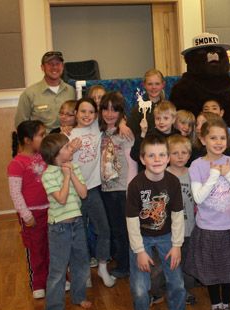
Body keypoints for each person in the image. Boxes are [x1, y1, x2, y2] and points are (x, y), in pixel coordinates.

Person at [126, 135, 195, 310]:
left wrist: (176, 245)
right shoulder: (135, 185)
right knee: (140, 284)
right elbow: (131, 221)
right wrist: (139, 251)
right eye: (151, 155)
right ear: (142, 159)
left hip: (167, 237)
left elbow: (177, 216)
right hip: (141, 237)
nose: (157, 159)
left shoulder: (172, 182)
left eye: (162, 155)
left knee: (176, 279)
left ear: (167, 158)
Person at [185, 118, 230, 310]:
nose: (219, 142)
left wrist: (229, 172)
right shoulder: (197, 165)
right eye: (213, 137)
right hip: (208, 228)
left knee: (229, 269)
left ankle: (228, 304)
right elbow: (198, 197)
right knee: (212, 270)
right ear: (203, 139)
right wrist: (214, 174)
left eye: (222, 138)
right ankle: (216, 306)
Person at [40, 133, 90, 310]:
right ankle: (54, 308)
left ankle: (79, 296)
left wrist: (72, 173)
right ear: (56, 153)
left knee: (81, 263)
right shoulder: (48, 174)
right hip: (58, 228)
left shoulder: (74, 166)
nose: (71, 149)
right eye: (68, 147)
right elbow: (60, 199)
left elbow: (83, 194)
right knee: (58, 269)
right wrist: (66, 176)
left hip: (76, 224)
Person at [69, 97, 115, 287]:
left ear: (95, 115)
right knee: (78, 234)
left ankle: (103, 266)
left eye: (90, 112)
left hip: (94, 189)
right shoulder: (68, 134)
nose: (87, 115)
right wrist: (71, 150)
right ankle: (84, 271)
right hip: (74, 192)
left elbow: (114, 117)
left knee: (103, 229)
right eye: (82, 111)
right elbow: (60, 159)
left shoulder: (97, 127)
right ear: (76, 113)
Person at [7, 120, 49, 299]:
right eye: (41, 135)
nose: (44, 138)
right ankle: (38, 282)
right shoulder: (17, 163)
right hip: (32, 214)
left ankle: (57, 278)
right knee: (36, 248)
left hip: (50, 210)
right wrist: (26, 215)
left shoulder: (45, 155)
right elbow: (15, 193)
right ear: (27, 140)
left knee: (53, 246)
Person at [99, 92, 135, 278]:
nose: (110, 113)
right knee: (115, 229)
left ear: (121, 112)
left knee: (123, 230)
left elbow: (133, 164)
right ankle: (122, 262)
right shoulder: (100, 133)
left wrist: (130, 189)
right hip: (106, 189)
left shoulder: (125, 133)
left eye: (115, 109)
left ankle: (126, 266)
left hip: (122, 189)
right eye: (106, 108)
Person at [166, 135, 197, 304]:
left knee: (187, 262)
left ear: (189, 154)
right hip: (170, 230)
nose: (179, 156)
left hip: (190, 227)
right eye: (175, 153)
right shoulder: (163, 174)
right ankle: (174, 290)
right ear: (167, 155)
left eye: (184, 152)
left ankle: (186, 290)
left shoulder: (193, 173)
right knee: (172, 263)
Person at [15, 51, 76, 132]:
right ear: (42, 67)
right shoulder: (29, 94)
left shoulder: (71, 91)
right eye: (50, 64)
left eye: (57, 64)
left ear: (62, 66)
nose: (54, 67)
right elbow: (21, 126)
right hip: (42, 143)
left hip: (69, 142)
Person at [127, 69, 166, 165]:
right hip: (146, 160)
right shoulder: (138, 110)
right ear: (144, 85)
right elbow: (132, 138)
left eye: (157, 84)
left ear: (163, 85)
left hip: (165, 157)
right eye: (150, 84)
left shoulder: (169, 108)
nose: (153, 87)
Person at [131, 100, 179, 170]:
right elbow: (135, 155)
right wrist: (143, 133)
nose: (161, 122)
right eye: (158, 118)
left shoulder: (178, 136)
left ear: (173, 119)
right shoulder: (150, 135)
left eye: (165, 118)